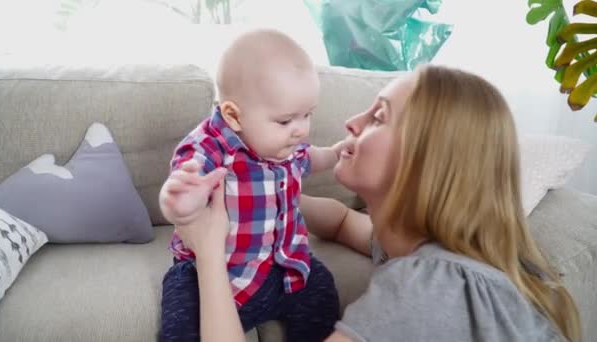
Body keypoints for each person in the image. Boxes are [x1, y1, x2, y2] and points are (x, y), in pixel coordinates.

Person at [174, 64, 582, 342]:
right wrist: (269, 196)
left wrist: (209, 249)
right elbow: (341, 223)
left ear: (426, 161)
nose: (352, 121)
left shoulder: (428, 286)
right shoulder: (425, 250)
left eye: (379, 117)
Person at [158, 29, 342, 342]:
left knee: (323, 292)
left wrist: (336, 154)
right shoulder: (210, 147)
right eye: (286, 121)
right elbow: (181, 182)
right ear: (233, 115)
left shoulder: (287, 145)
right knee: (180, 320)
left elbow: (311, 157)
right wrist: (178, 203)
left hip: (285, 266)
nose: (300, 130)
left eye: (307, 115)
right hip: (211, 275)